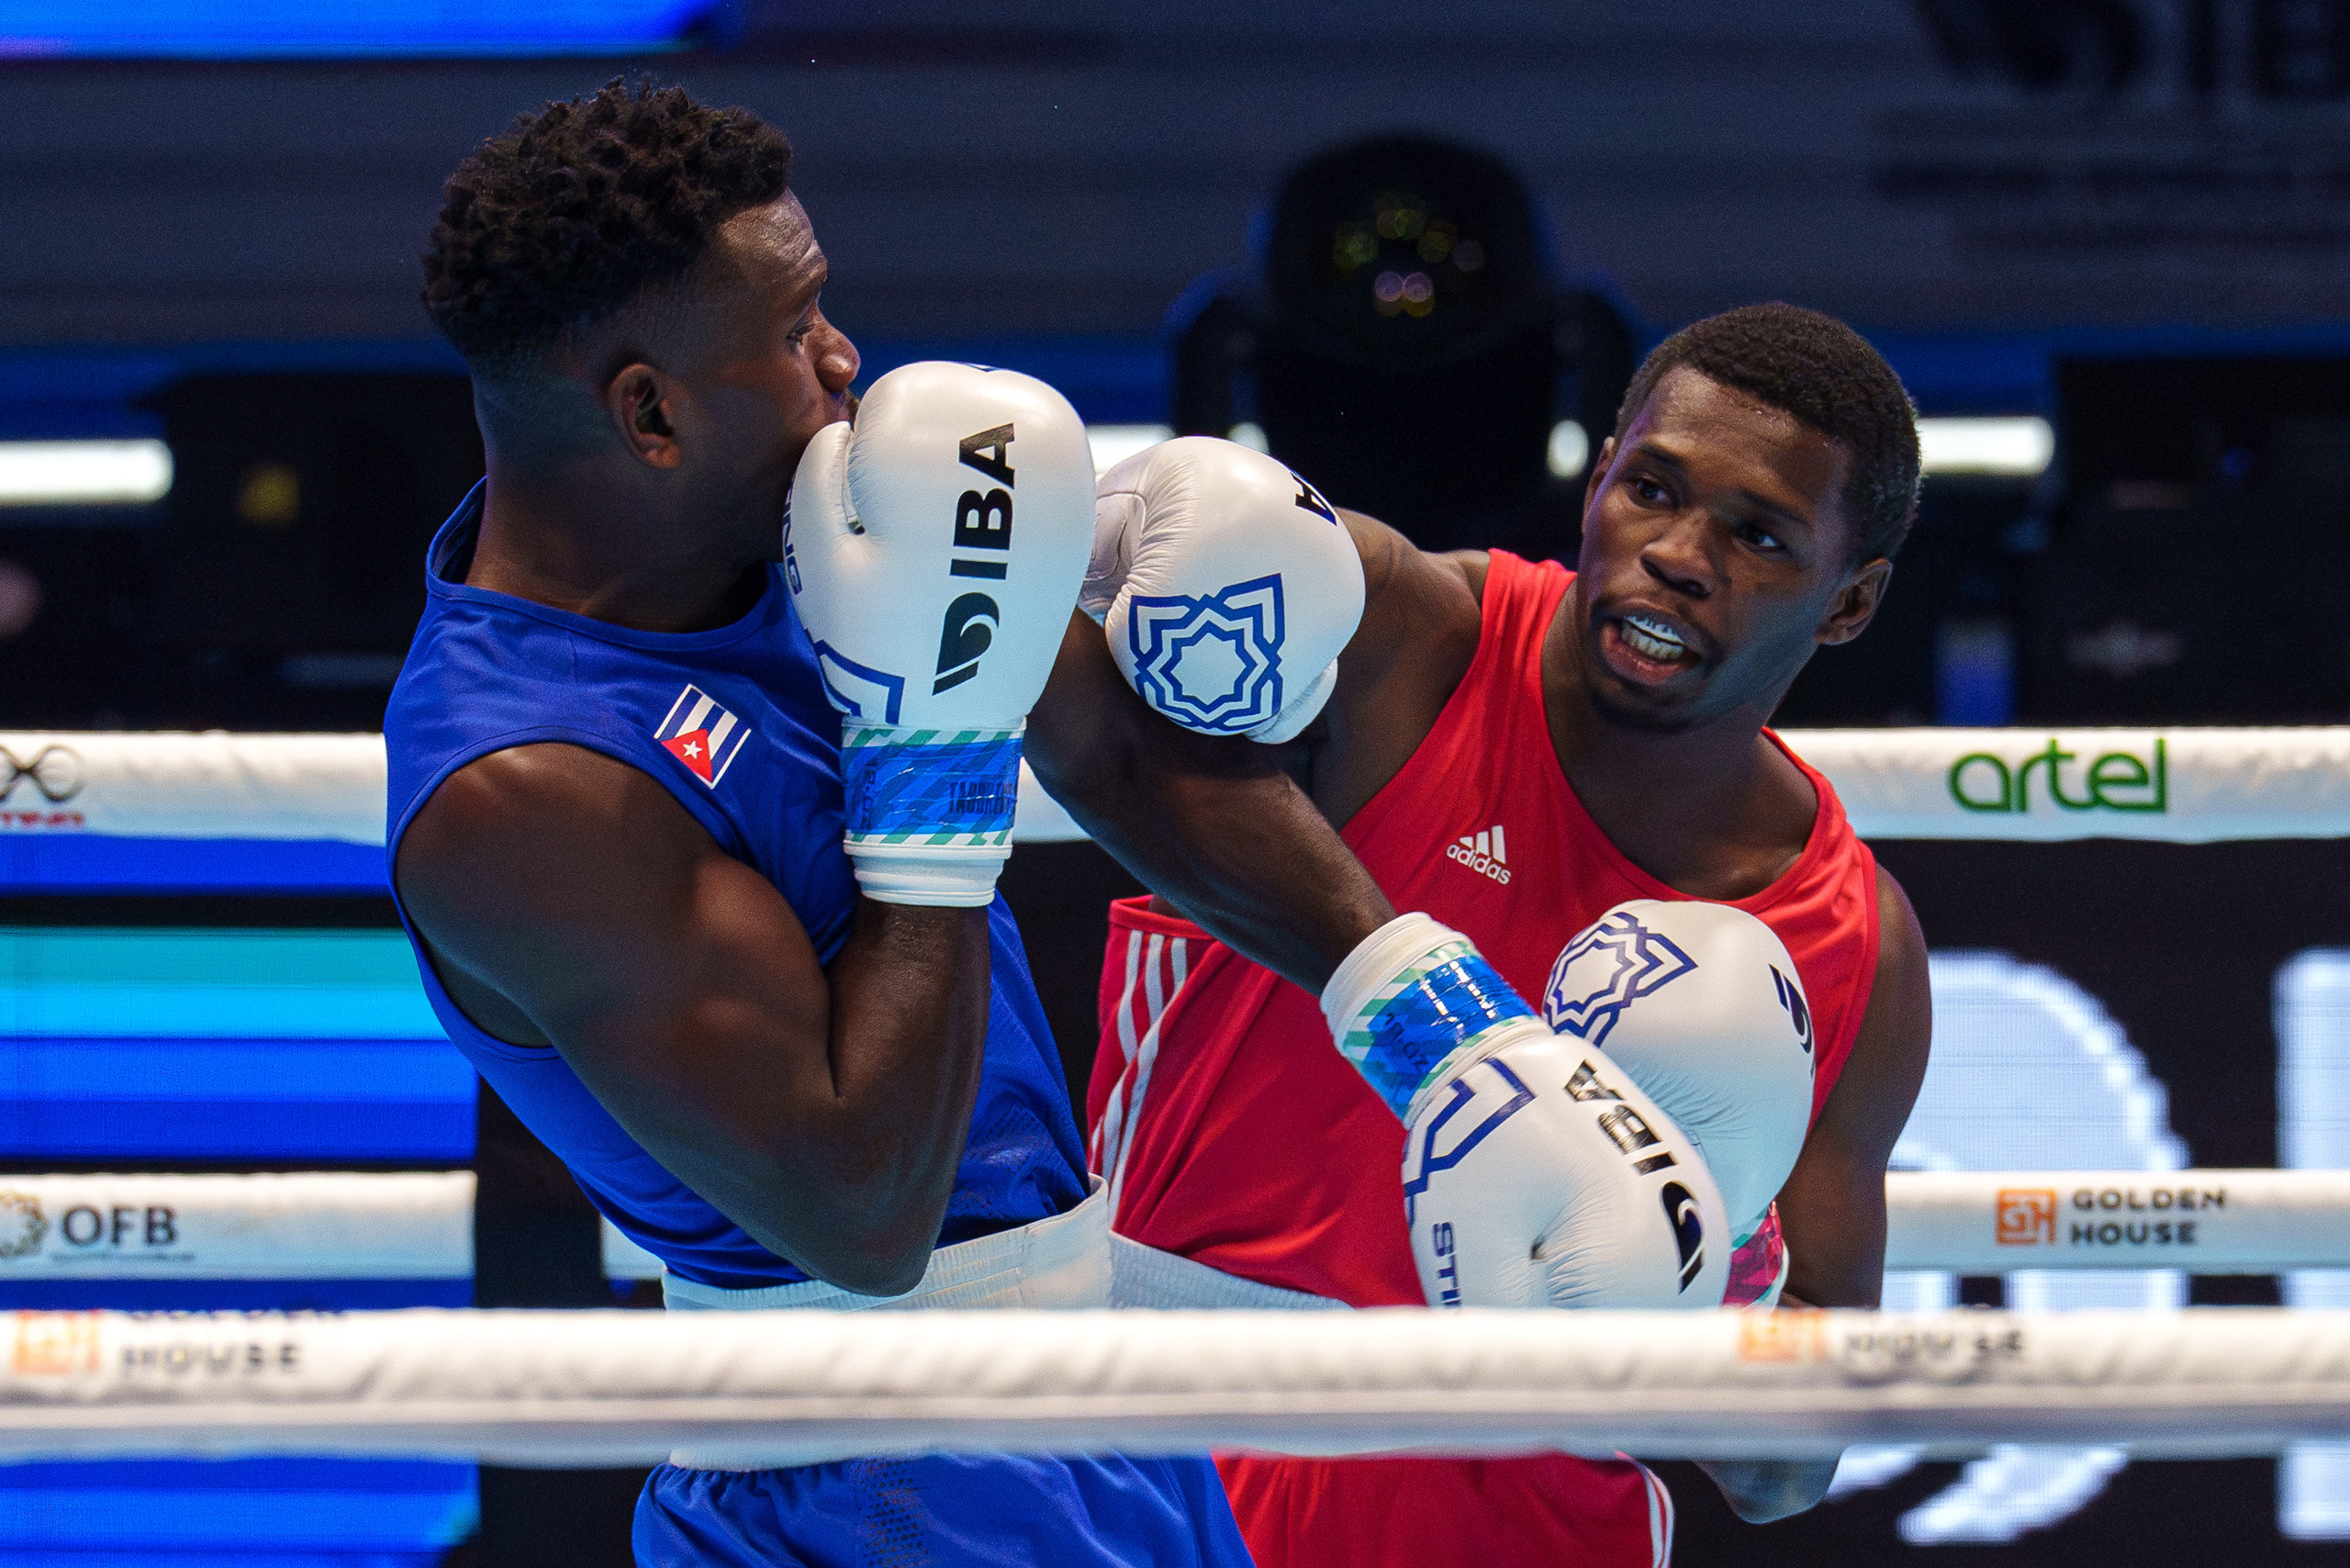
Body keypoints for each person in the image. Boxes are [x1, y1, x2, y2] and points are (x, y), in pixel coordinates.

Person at [386, 78, 1258, 1567]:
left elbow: (1113, 755)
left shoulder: (807, 529)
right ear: (649, 411)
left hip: (1093, 1408)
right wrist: (941, 739)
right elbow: (864, 1220)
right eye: (792, 333)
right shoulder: (525, 790)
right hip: (869, 1474)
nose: (845, 360)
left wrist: (1433, 1026)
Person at [1027, 302, 1936, 1564]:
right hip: (1165, 1461)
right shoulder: (1407, 644)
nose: (1679, 554)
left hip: (1530, 1521)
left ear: (1849, 605)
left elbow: (1788, 1469)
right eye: (1654, 489)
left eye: (1759, 536)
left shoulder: (1849, 947)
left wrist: (1714, 1239)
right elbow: (1094, 734)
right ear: (1599, 475)